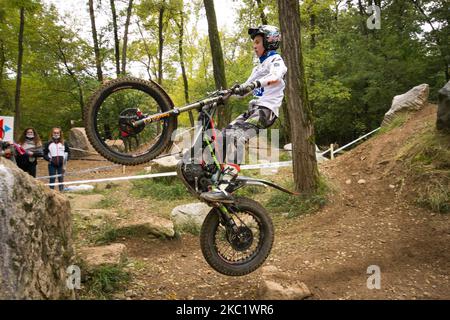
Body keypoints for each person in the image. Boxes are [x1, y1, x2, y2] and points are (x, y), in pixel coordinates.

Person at [201, 24, 288, 203]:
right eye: (254, 42)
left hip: (266, 110)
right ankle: (218, 177)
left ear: (269, 41)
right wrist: (225, 94)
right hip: (253, 109)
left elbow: (276, 76)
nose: (254, 46)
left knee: (237, 136)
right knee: (225, 135)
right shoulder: (258, 67)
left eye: (257, 41)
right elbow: (244, 88)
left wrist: (255, 85)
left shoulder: (276, 60)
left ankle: (229, 183)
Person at [43, 127, 70, 191]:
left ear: (60, 134)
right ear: (52, 133)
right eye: (54, 133)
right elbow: (44, 154)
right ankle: (51, 192)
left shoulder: (64, 143)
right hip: (51, 164)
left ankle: (61, 192)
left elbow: (68, 153)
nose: (56, 134)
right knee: (52, 178)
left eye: (57, 133)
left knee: (61, 178)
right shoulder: (48, 143)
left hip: (61, 164)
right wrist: (49, 159)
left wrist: (65, 161)